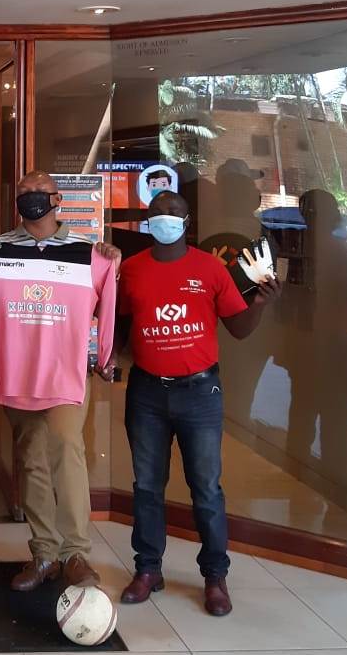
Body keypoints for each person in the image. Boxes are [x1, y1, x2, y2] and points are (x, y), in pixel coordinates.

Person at [116, 191, 282, 617]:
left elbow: (238, 328)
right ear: (147, 221)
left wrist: (260, 303)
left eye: (173, 212)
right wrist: (106, 358)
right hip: (147, 393)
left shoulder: (209, 268)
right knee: (147, 487)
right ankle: (148, 569)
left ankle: (214, 577)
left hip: (199, 394)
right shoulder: (131, 270)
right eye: (157, 212)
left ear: (187, 221)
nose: (165, 217)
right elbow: (119, 324)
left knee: (206, 489)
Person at [0, 171, 120, 594]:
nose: (31, 198)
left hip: (66, 374)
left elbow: (107, 306)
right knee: (30, 458)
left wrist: (104, 355)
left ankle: (75, 553)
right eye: (23, 193)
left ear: (57, 199)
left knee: (68, 450)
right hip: (17, 374)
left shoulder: (90, 253)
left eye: (39, 192)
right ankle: (44, 553)